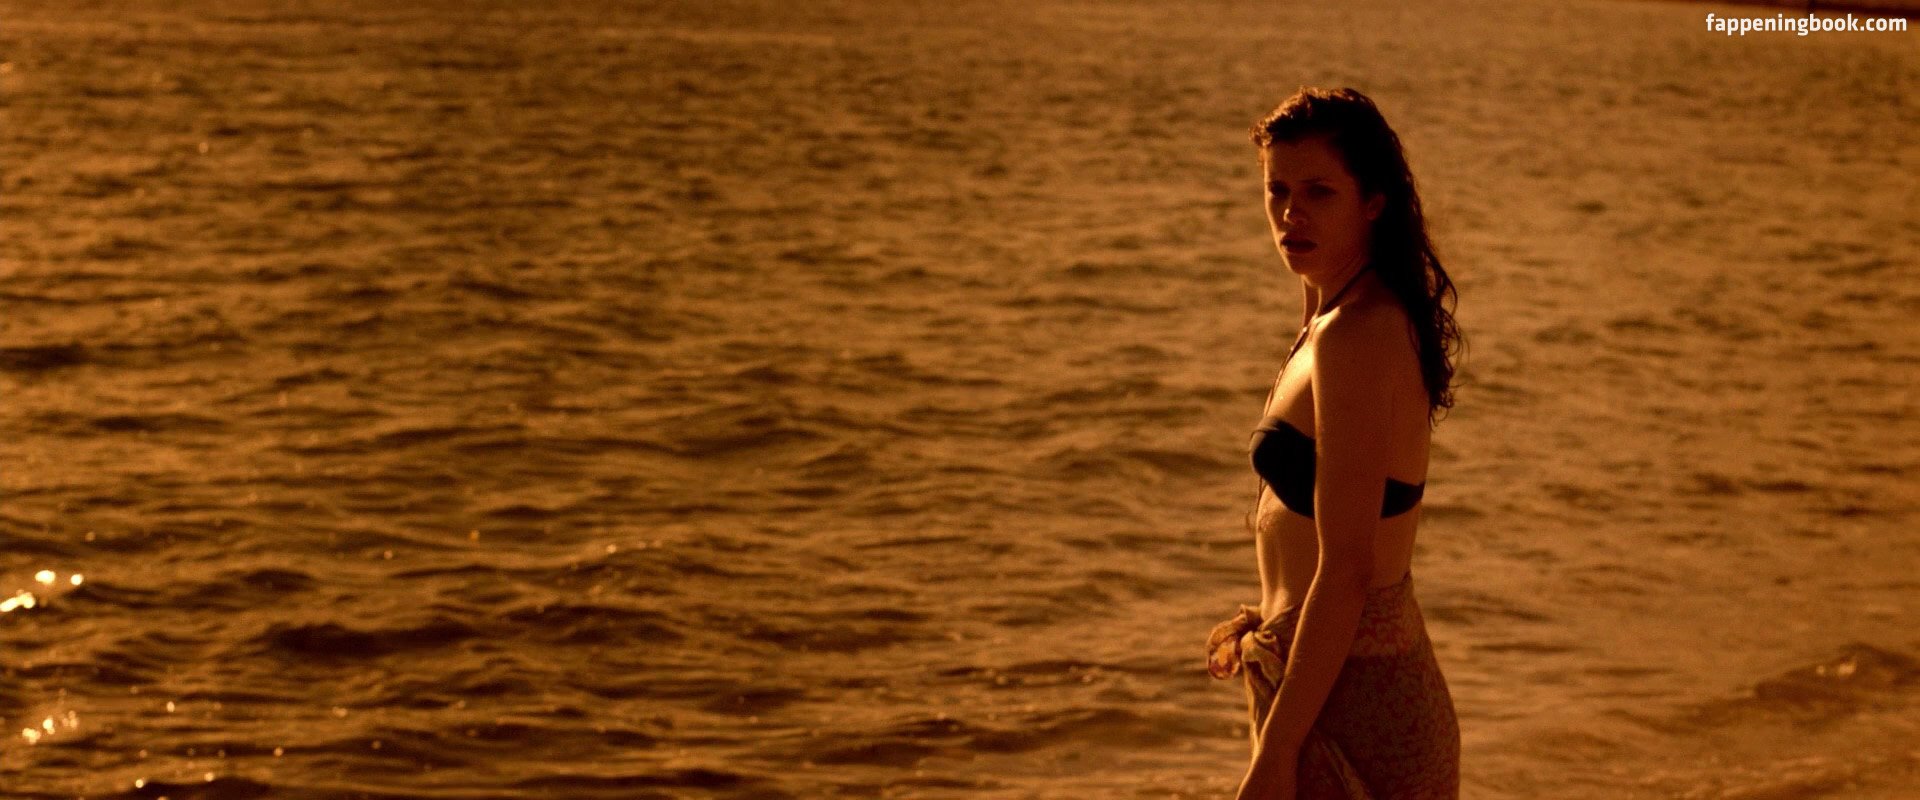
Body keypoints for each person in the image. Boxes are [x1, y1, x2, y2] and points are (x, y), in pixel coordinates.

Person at [1205, 87, 1464, 799]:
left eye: (1319, 192)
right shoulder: (1329, 307)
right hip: (1325, 681)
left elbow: (1347, 568)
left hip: (1360, 704)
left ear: (1372, 202)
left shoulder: (1360, 334)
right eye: (1278, 190)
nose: (1292, 213)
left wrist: (1277, 753)